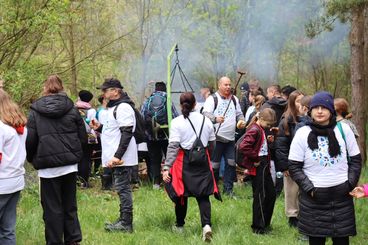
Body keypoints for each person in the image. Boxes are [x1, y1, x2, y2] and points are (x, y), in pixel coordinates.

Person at [288, 91, 362, 245]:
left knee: (342, 241)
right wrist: (309, 188)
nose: (320, 111)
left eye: (324, 107)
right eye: (316, 107)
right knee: (316, 241)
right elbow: (294, 166)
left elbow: (356, 160)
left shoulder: (344, 130)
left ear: (331, 110)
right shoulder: (302, 133)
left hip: (342, 196)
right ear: (310, 111)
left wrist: (350, 183)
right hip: (314, 199)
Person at [26, 75, 86, 245]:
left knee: (52, 209)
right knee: (70, 205)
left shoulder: (35, 112)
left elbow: (30, 140)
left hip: (47, 168)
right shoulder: (72, 109)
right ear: (61, 88)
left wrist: (32, 159)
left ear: (45, 88)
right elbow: (82, 137)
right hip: (69, 165)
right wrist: (77, 156)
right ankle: (73, 240)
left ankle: (54, 241)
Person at [162, 92, 221, 242]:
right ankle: (206, 226)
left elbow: (173, 147)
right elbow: (212, 145)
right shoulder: (207, 121)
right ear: (195, 104)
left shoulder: (176, 122)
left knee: (181, 196)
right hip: (202, 161)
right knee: (203, 195)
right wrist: (204, 154)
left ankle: (180, 226)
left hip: (183, 163)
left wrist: (166, 167)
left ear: (181, 105)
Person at [91, 78, 137, 233]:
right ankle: (123, 219)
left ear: (116, 91)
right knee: (121, 188)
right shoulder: (114, 108)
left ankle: (126, 223)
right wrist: (100, 127)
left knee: (123, 189)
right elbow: (114, 131)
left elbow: (127, 133)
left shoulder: (123, 107)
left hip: (121, 158)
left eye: (106, 90)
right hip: (116, 157)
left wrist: (117, 156)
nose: (103, 93)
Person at [202, 76, 246, 196]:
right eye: (225, 85)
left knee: (231, 163)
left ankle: (228, 190)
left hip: (231, 138)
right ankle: (213, 189)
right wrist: (215, 119)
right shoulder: (213, 99)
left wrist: (241, 122)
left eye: (229, 85)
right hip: (216, 138)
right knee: (215, 165)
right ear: (219, 85)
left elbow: (239, 114)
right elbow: (205, 113)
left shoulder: (234, 99)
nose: (228, 87)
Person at [239, 108, 277, 234]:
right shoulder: (254, 129)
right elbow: (243, 146)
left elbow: (260, 144)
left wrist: (268, 139)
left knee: (271, 194)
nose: (269, 127)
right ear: (260, 119)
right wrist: (254, 158)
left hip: (265, 165)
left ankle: (265, 223)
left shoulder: (261, 129)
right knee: (260, 197)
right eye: (268, 124)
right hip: (259, 166)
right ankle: (258, 227)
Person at [0, 89, 27, 245]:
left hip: (2, 182)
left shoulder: (1, 128)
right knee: (7, 229)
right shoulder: (19, 127)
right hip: (16, 181)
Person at [274, 90, 304, 228]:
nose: (301, 104)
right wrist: (284, 165)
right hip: (291, 161)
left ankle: (304, 215)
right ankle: (292, 217)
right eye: (298, 101)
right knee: (291, 190)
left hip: (307, 161)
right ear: (292, 103)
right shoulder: (286, 120)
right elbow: (280, 145)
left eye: (303, 101)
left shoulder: (309, 119)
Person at [141, 81, 179, 189]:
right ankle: (171, 183)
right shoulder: (167, 100)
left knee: (154, 160)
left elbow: (142, 117)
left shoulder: (148, 101)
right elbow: (175, 116)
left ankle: (156, 184)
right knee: (169, 158)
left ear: (155, 89)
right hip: (166, 136)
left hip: (151, 136)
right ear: (165, 89)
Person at [75, 90, 97, 188]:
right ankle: (84, 181)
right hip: (89, 137)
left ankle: (76, 180)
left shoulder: (73, 108)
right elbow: (94, 124)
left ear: (79, 97)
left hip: (76, 136)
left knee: (77, 158)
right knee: (86, 158)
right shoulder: (91, 111)